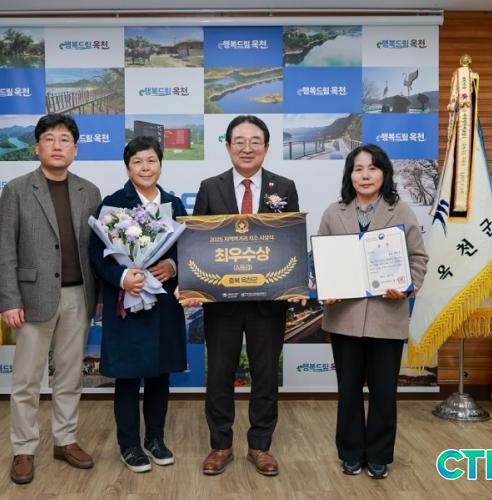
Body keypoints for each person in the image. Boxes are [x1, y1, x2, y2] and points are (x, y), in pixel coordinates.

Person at [0, 113, 102, 485]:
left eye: (65, 139)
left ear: (75, 149)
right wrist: (9, 298)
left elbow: (98, 250)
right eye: (50, 139)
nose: (58, 146)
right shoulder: (17, 190)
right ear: (37, 147)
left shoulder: (90, 191)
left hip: (79, 296)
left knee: (69, 376)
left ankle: (65, 440)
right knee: (26, 380)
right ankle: (23, 448)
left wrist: (99, 295)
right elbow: (4, 250)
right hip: (31, 298)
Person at [192, 115, 299, 477]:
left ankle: (260, 446)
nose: (247, 148)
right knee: (219, 375)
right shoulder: (210, 188)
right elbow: (197, 244)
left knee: (265, 375)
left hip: (268, 303)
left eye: (255, 141)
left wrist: (293, 283)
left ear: (266, 147)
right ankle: (220, 445)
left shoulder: (285, 187)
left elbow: (290, 240)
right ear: (228, 147)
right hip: (220, 304)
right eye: (239, 141)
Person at [316, 143, 428, 480]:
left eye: (372, 168)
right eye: (358, 169)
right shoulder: (333, 212)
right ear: (349, 175)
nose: (365, 175)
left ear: (384, 173)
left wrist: (407, 287)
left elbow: (418, 258)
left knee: (383, 393)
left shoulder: (401, 211)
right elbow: (322, 260)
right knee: (348, 391)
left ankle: (379, 455)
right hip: (344, 318)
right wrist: (326, 288)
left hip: (387, 316)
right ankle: (351, 453)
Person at [88, 136, 187, 473]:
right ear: (127, 168)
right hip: (126, 303)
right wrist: (122, 277)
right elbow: (97, 254)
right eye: (137, 162)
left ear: (160, 164)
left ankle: (155, 438)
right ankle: (129, 444)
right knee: (128, 377)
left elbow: (188, 247)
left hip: (163, 303)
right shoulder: (113, 204)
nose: (145, 168)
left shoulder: (173, 203)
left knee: (160, 374)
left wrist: (172, 266)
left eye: (151, 161)